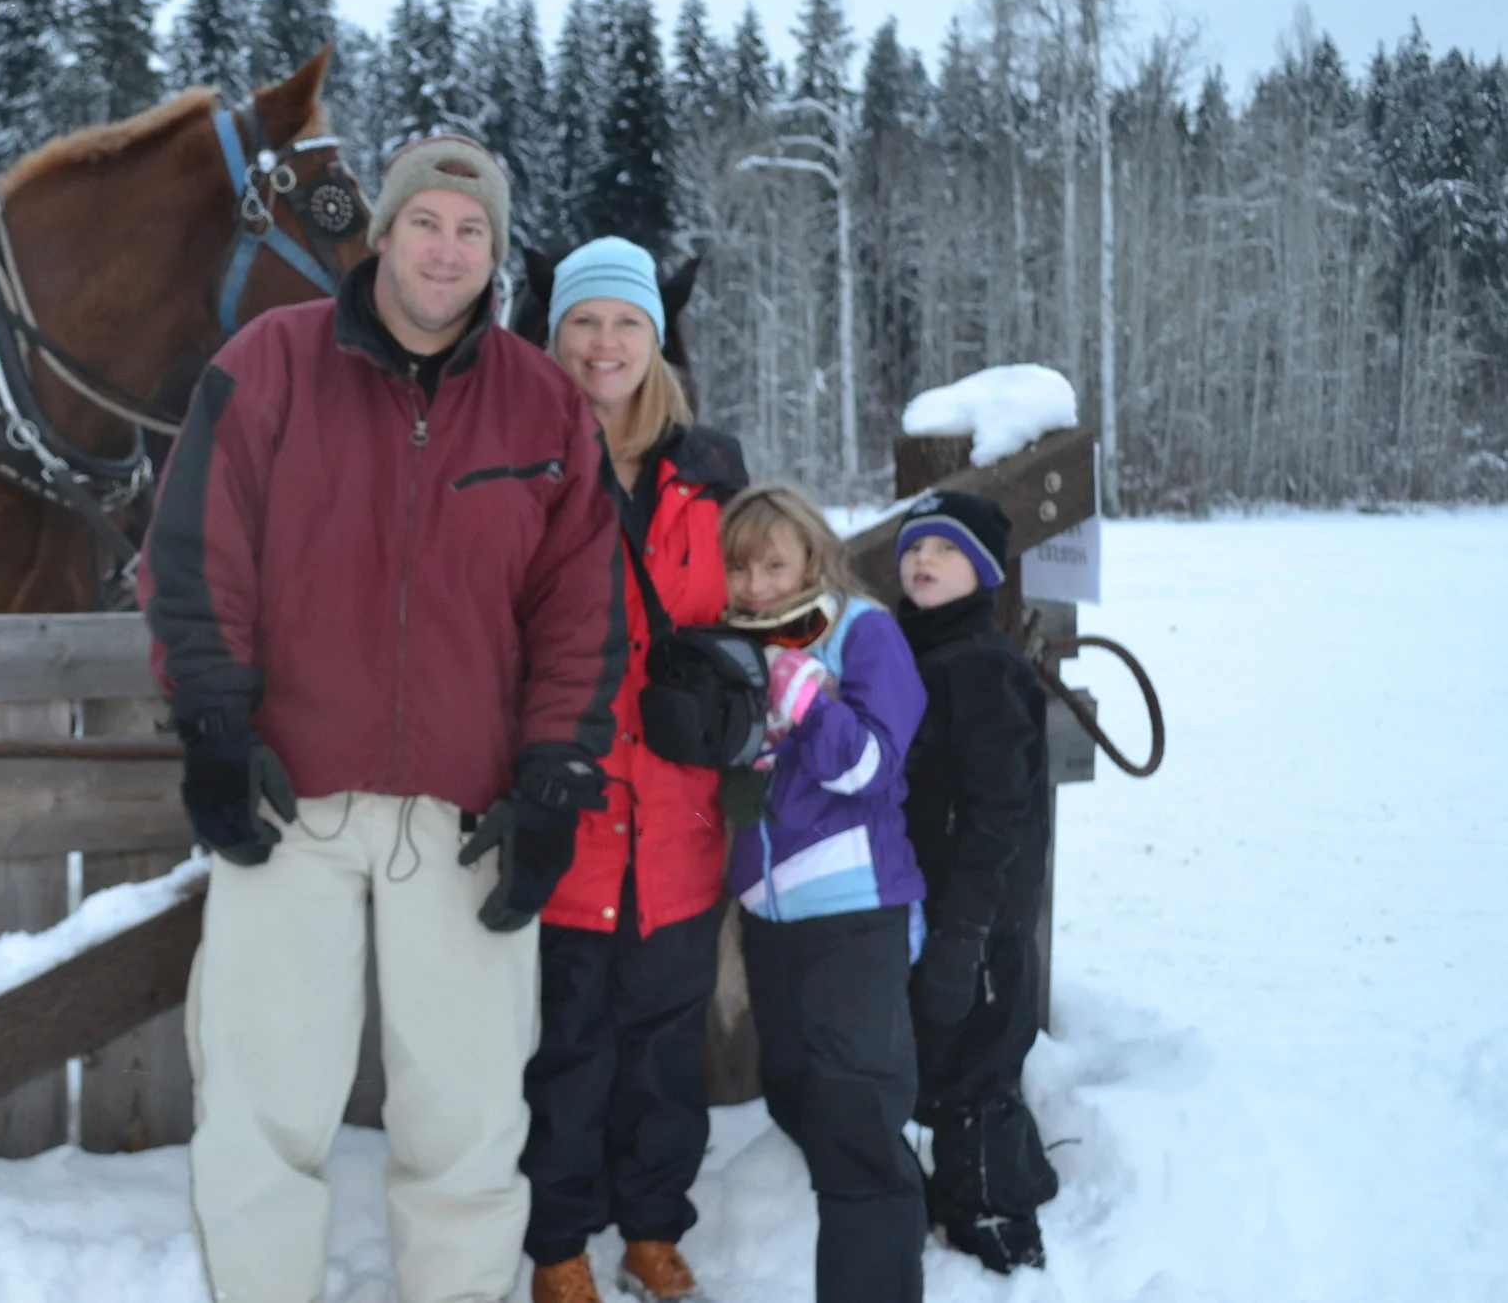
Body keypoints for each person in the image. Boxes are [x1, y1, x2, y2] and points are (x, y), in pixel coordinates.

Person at [140, 134, 628, 1303]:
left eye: (471, 230)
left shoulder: (543, 404)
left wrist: (552, 779)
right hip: (288, 796)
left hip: (468, 813)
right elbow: (195, 553)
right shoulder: (271, 362)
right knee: (261, 1101)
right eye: (426, 222)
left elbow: (580, 611)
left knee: (466, 1110)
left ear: (494, 254)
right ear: (384, 233)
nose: (445, 250)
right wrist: (214, 726)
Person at [522, 239, 748, 1303]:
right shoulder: (518, 461)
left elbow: (764, 603)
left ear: (655, 339)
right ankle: (559, 1239)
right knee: (568, 1047)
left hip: (677, 817)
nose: (602, 343)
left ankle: (653, 1223)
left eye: (625, 322)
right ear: (553, 335)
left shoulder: (712, 474)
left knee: (663, 1047)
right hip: (566, 813)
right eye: (583, 321)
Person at [718, 483, 930, 1303]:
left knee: (855, 1123)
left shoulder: (861, 631)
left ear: (813, 554)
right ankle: (898, 1215)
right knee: (798, 1097)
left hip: (853, 914)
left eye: (775, 564)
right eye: (740, 567)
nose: (756, 585)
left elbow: (870, 766)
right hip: (770, 918)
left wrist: (804, 697)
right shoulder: (734, 641)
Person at [892, 490, 1059, 1273]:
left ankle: (998, 1225)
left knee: (976, 1067)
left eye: (947, 548)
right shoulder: (916, 651)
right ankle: (1001, 1177)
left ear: (986, 571)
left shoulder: (982, 666)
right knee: (949, 1051)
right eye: (913, 546)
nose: (923, 559)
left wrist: (966, 930)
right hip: (939, 905)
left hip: (979, 917)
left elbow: (1000, 812)